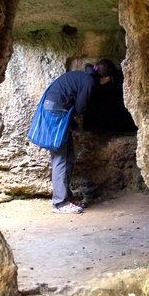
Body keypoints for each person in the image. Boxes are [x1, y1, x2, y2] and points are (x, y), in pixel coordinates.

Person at [37, 59, 116, 214]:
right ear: (107, 78)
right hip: (55, 112)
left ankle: (67, 197)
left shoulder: (84, 76)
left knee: (69, 156)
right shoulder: (90, 82)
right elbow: (80, 108)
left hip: (56, 110)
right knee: (61, 158)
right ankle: (60, 203)